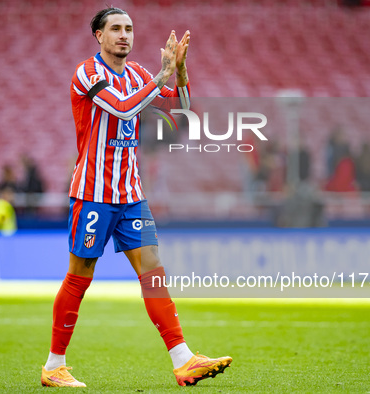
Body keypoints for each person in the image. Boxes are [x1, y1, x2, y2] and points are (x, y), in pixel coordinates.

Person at [41, 7, 231, 389]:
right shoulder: (88, 73)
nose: (124, 35)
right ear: (98, 35)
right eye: (115, 29)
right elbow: (122, 107)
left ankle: (183, 359)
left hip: (131, 195)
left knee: (153, 272)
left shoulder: (139, 74)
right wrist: (160, 75)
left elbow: (180, 114)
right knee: (80, 275)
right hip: (93, 194)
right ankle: (54, 366)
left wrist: (178, 71)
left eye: (129, 29)